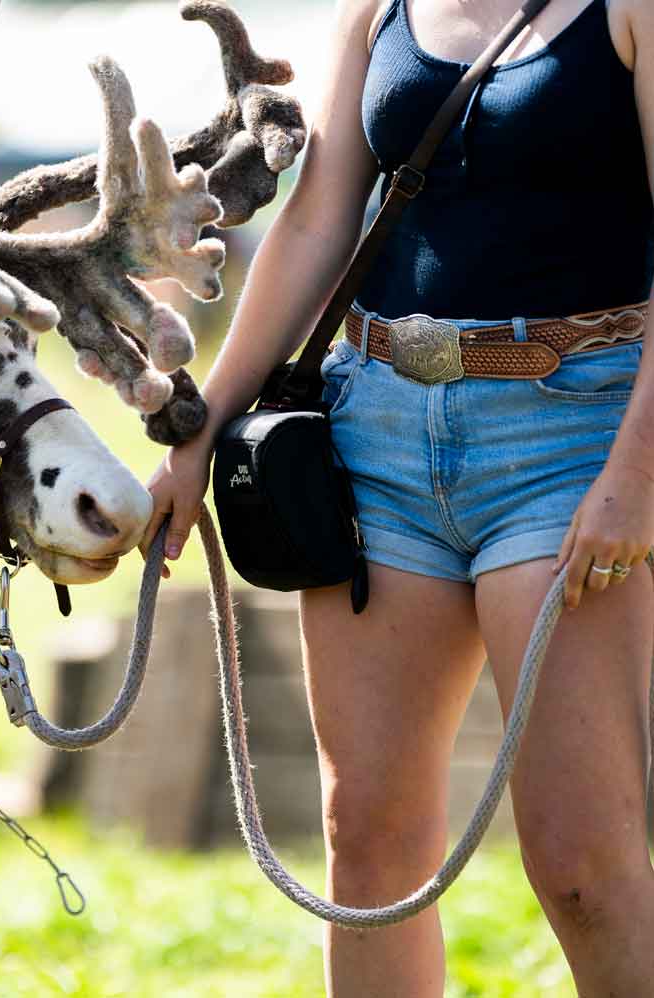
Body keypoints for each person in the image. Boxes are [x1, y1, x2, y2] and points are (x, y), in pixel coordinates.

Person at [145, 0, 654, 994]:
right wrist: (201, 430)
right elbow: (314, 223)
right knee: (368, 847)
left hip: (572, 435)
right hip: (373, 431)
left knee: (585, 865)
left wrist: (638, 475)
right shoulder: (378, 6)